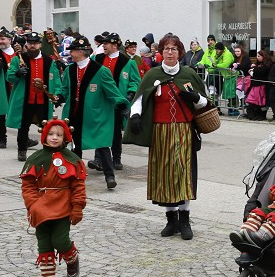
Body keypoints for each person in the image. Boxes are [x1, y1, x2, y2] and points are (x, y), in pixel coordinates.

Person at [123, 34, 210, 240]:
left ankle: (185, 220)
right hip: (160, 132)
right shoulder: (152, 74)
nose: (170, 52)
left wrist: (195, 97)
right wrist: (135, 116)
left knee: (182, 174)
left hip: (183, 131)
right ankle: (171, 220)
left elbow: (206, 103)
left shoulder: (189, 74)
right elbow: (140, 98)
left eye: (174, 49)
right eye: (166, 49)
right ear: (160, 53)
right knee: (164, 175)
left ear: (180, 53)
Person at [21, 118, 86, 277]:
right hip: (40, 208)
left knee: (60, 240)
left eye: (59, 135)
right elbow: (28, 185)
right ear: (44, 135)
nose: (54, 137)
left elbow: (78, 186)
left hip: (63, 206)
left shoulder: (72, 160)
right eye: (51, 134)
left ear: (65, 137)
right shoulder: (36, 158)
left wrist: (77, 207)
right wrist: (32, 204)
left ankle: (72, 258)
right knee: (44, 243)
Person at [60, 36, 128, 191]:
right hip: (74, 114)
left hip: (95, 115)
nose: (71, 54)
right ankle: (76, 176)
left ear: (82, 52)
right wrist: (58, 96)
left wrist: (122, 103)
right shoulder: (70, 69)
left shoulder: (100, 70)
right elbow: (64, 90)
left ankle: (109, 176)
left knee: (103, 145)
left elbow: (112, 90)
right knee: (75, 146)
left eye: (74, 51)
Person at [7, 33, 64, 162]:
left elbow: (56, 80)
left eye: (35, 43)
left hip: (42, 100)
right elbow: (9, 77)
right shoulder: (18, 59)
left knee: (47, 127)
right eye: (30, 43)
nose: (32, 46)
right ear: (26, 44)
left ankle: (47, 151)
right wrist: (17, 73)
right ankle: (21, 150)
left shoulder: (49, 61)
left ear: (39, 45)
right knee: (23, 127)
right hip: (25, 99)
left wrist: (57, 94)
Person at [90, 33, 142, 173]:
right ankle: (98, 159)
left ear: (115, 45)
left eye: (106, 44)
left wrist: (130, 93)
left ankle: (116, 159)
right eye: (103, 44)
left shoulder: (127, 62)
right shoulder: (97, 59)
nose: (103, 46)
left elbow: (135, 80)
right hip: (101, 102)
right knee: (101, 129)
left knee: (115, 132)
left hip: (118, 102)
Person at [246, 49, 271, 120]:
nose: (257, 57)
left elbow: (260, 72)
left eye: (259, 56)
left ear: (263, 56)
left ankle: (261, 116)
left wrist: (253, 70)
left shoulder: (265, 65)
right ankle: (254, 115)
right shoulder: (258, 64)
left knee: (261, 101)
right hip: (256, 85)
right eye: (257, 56)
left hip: (262, 85)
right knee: (254, 101)